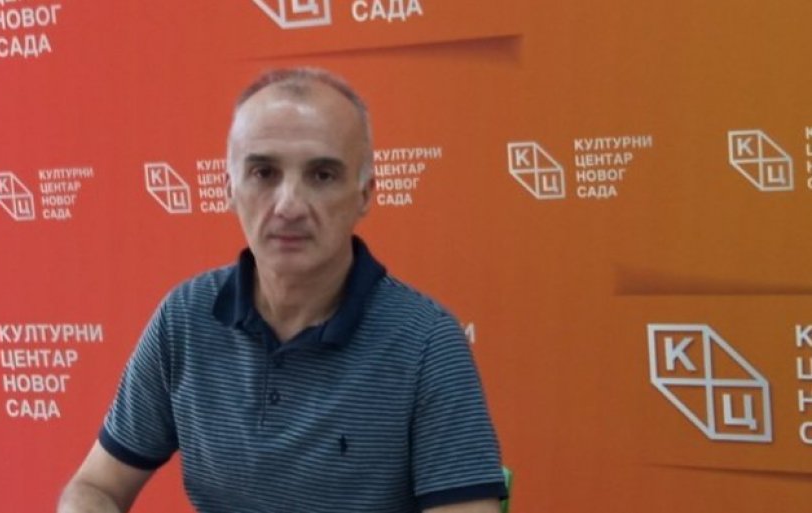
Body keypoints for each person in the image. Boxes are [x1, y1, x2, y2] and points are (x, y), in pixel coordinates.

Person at [58, 68, 506, 513]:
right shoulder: (185, 316)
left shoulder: (427, 344)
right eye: (264, 172)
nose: (289, 205)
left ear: (365, 194)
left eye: (322, 175)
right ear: (229, 188)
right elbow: (95, 485)